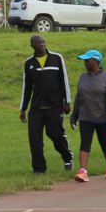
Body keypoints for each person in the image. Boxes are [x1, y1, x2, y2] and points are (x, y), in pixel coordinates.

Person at [20, 34, 74, 174]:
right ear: (32, 45)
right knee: (35, 140)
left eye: (43, 42)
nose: (42, 45)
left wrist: (67, 102)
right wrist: (23, 109)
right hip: (36, 109)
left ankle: (67, 156)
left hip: (54, 107)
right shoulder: (29, 63)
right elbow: (27, 88)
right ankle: (39, 169)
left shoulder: (57, 58)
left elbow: (64, 81)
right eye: (38, 43)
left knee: (55, 134)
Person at [69, 50, 106, 182]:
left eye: (88, 60)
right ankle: (83, 171)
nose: (85, 63)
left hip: (103, 118)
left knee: (105, 144)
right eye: (84, 60)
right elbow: (78, 98)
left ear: (97, 61)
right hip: (85, 117)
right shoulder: (83, 77)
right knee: (85, 143)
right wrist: (74, 116)